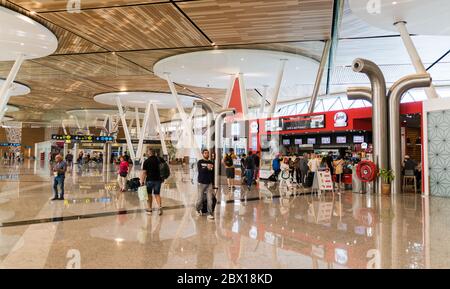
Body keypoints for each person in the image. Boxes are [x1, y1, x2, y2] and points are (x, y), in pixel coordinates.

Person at [141, 149, 163, 215]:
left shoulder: (146, 161)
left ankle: (149, 209)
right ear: (154, 153)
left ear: (149, 153)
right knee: (157, 194)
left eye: (147, 152)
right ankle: (159, 208)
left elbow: (144, 172)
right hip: (158, 180)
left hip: (149, 180)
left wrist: (142, 181)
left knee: (149, 195)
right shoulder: (159, 159)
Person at [196, 149, 215, 220]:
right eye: (205, 153)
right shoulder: (200, 162)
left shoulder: (211, 162)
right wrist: (207, 167)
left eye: (208, 153)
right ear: (202, 154)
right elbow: (200, 171)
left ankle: (210, 213)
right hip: (201, 183)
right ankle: (198, 209)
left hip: (209, 183)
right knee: (200, 199)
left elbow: (212, 173)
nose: (207, 154)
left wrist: (213, 184)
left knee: (210, 199)